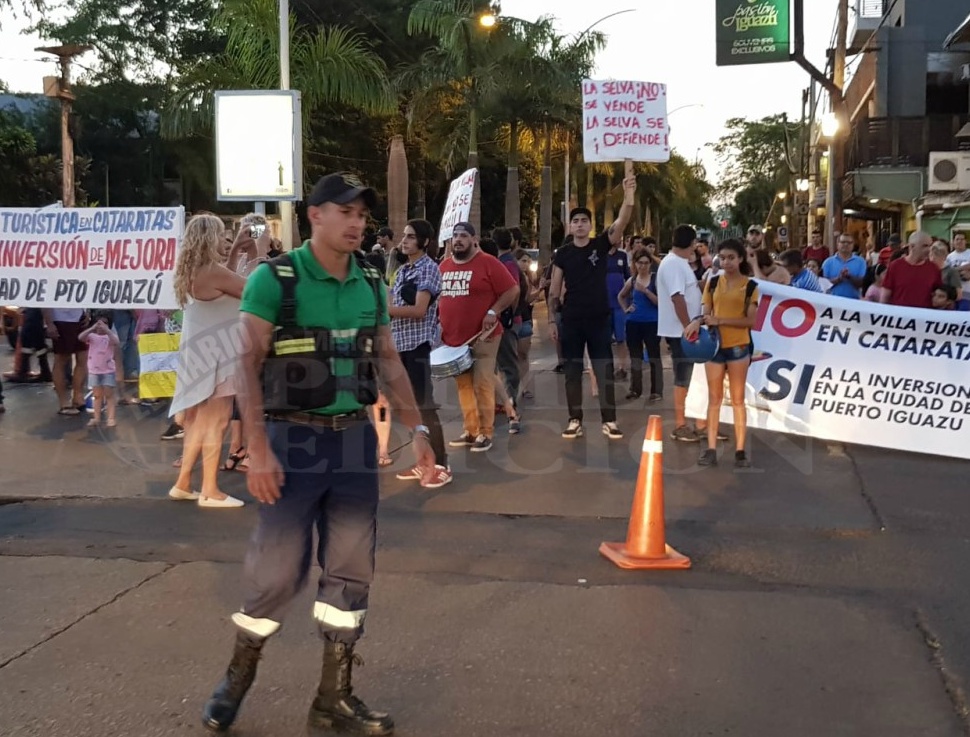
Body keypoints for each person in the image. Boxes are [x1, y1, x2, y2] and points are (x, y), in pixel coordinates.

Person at [202, 172, 435, 736]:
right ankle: (238, 675)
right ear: (316, 215)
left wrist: (418, 429)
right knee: (278, 575)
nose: (357, 223)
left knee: (351, 574)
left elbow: (388, 359)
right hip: (291, 443)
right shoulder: (273, 278)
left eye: (363, 215)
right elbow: (247, 366)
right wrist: (256, 449)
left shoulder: (371, 281)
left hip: (354, 443)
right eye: (346, 212)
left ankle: (334, 699)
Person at [167, 214, 264, 508]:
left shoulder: (198, 270)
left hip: (202, 356)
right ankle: (210, 489)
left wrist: (235, 252)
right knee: (218, 422)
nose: (226, 239)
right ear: (210, 238)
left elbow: (226, 287)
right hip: (218, 358)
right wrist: (259, 252)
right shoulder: (211, 271)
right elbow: (253, 291)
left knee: (198, 423)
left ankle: (184, 483)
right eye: (223, 235)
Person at [547, 174, 636, 441]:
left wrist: (628, 196)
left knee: (604, 370)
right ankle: (575, 420)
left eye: (584, 221)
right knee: (572, 373)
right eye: (575, 221)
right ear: (570, 226)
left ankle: (609, 420)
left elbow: (621, 222)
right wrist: (552, 320)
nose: (580, 224)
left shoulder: (602, 244)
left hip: (599, 319)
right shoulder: (562, 254)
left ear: (590, 225)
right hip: (572, 320)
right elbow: (553, 290)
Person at [439, 222, 519, 452]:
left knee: (482, 382)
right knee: (464, 386)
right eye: (455, 236)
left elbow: (512, 290)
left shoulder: (488, 263)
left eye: (463, 235)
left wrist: (494, 311)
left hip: (485, 336)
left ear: (474, 239)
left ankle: (486, 432)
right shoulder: (444, 266)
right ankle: (471, 430)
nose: (458, 240)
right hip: (455, 339)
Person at [388, 218, 452, 488]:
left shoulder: (429, 269)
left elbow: (418, 310)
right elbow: (390, 299)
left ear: (424, 242)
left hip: (418, 345)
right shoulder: (403, 270)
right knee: (409, 407)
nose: (404, 241)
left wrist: (384, 310)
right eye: (404, 236)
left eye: (411, 237)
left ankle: (441, 465)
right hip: (399, 344)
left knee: (424, 405)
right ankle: (424, 460)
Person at [690, 239, 757, 468]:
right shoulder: (713, 282)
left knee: (738, 400)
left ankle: (740, 450)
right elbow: (706, 312)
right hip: (715, 346)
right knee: (714, 399)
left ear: (740, 259)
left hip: (738, 346)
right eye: (723, 257)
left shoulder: (750, 286)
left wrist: (720, 320)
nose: (726, 262)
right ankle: (710, 448)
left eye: (731, 257)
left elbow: (751, 321)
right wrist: (698, 321)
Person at [657, 225, 720, 443]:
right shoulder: (674, 264)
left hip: (687, 329)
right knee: (683, 377)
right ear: (692, 244)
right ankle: (681, 424)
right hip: (681, 331)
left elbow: (687, 290)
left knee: (696, 378)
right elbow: (677, 297)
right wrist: (688, 328)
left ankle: (701, 424)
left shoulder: (679, 263)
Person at [617, 247, 662, 402]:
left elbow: (660, 302)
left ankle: (656, 391)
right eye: (639, 263)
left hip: (652, 322)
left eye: (645, 263)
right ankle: (635, 389)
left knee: (654, 356)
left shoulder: (655, 279)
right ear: (635, 264)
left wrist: (646, 291)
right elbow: (621, 296)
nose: (642, 266)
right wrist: (626, 309)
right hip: (634, 322)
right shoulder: (632, 280)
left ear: (650, 264)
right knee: (635, 357)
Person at [492, 227, 522, 412]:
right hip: (503, 319)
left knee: (508, 363)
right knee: (497, 364)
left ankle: (510, 400)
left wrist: (508, 313)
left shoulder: (507, 264)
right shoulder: (502, 262)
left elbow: (514, 290)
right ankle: (502, 399)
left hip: (507, 321)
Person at [43, 307, 89, 415]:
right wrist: (49, 323)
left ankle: (78, 396)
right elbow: (45, 300)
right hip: (60, 319)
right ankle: (63, 402)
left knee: (83, 357)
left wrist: (86, 311)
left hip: (79, 318)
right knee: (62, 359)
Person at [78, 312, 120, 428]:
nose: (101, 326)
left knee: (109, 394)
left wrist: (107, 330)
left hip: (108, 370)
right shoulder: (92, 337)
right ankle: (96, 418)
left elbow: (116, 342)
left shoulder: (110, 337)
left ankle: (111, 418)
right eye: (98, 323)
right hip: (94, 371)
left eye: (105, 323)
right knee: (97, 395)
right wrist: (92, 328)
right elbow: (80, 337)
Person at [881, 232, 941, 308]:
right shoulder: (895, 266)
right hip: (900, 317)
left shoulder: (934, 269)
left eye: (930, 246)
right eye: (925, 246)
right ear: (912, 246)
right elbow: (885, 297)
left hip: (924, 317)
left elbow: (939, 297)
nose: (929, 250)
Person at [514, 248, 542, 401]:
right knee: (510, 357)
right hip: (513, 319)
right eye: (523, 261)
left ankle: (525, 387)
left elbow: (527, 300)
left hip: (525, 319)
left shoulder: (528, 278)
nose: (526, 264)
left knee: (523, 355)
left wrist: (538, 290)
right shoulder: (512, 276)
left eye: (528, 262)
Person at [606, 237, 632, 381]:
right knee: (605, 340)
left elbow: (628, 278)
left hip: (619, 305)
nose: (619, 240)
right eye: (617, 237)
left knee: (621, 338)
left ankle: (622, 368)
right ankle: (608, 369)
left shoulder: (622, 256)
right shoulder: (600, 256)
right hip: (604, 305)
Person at [822, 233, 867, 299]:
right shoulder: (828, 262)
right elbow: (823, 285)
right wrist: (839, 279)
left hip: (853, 301)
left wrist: (849, 276)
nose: (846, 244)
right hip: (832, 301)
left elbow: (863, 283)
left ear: (853, 245)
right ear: (837, 244)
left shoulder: (861, 262)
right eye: (843, 242)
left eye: (849, 242)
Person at [945, 231, 970, 309]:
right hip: (954, 293)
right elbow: (946, 272)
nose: (959, 241)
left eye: (962, 239)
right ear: (953, 242)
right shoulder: (949, 257)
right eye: (957, 239)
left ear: (966, 241)